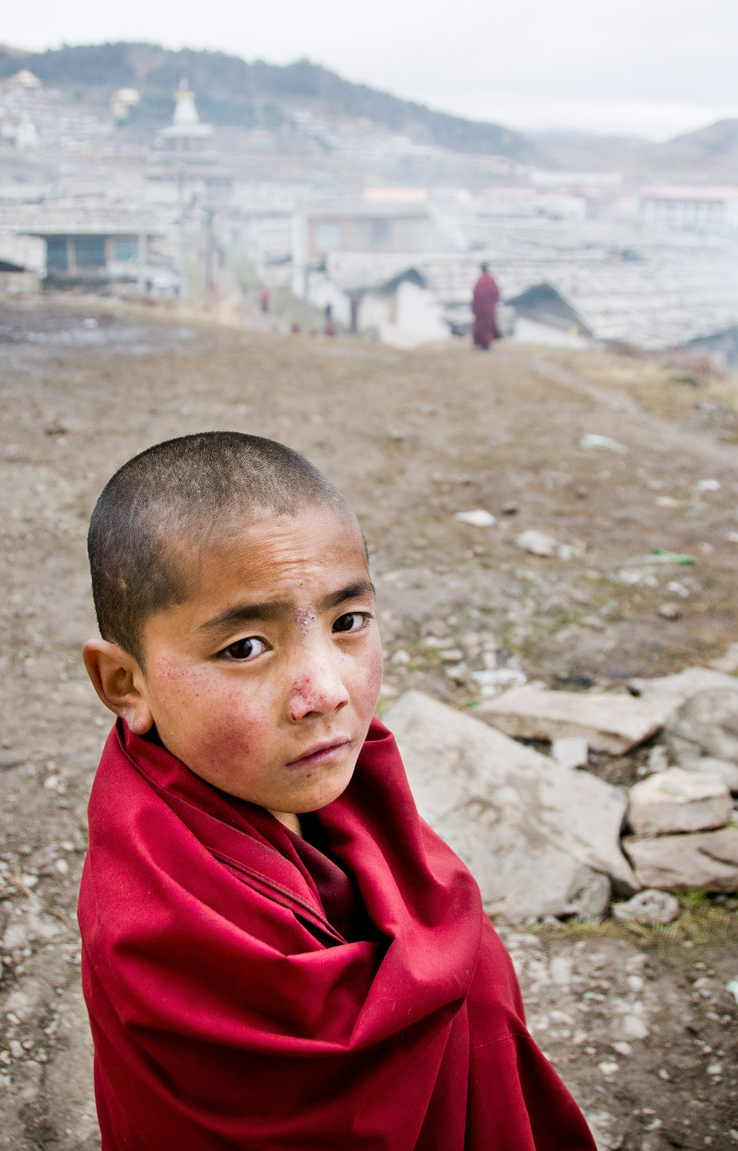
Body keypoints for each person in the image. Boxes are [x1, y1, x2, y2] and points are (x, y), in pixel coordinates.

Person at [79, 431, 596, 1151]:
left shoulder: (339, 786)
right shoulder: (161, 921)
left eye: (346, 623)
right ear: (125, 684)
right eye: (244, 648)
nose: (325, 694)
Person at [471, 262, 500, 350]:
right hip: (489, 308)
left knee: (481, 327)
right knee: (488, 326)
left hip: (481, 309)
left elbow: (476, 294)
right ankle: (487, 343)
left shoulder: (480, 280)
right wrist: (493, 303)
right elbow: (496, 293)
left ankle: (484, 343)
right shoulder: (491, 280)